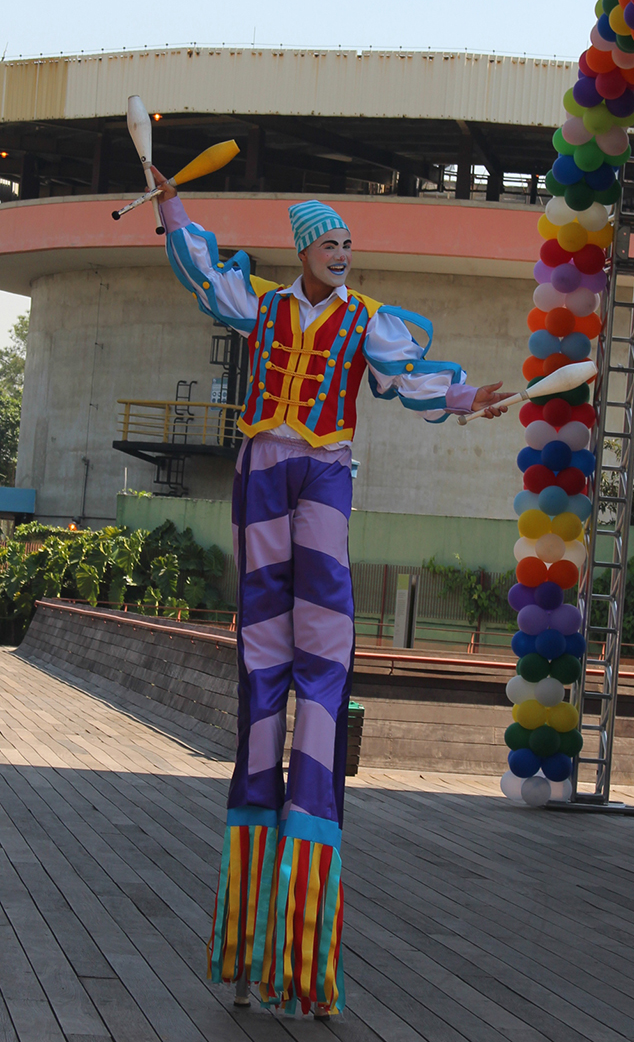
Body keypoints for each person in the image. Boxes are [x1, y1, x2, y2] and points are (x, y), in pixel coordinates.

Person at [152, 173, 507, 1017]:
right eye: (330, 243)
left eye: (347, 243)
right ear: (305, 251)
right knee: (262, 663)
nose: (343, 254)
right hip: (263, 467)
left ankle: (300, 953)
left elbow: (408, 378)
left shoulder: (365, 320)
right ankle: (249, 948)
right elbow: (204, 271)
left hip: (324, 468)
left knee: (322, 657)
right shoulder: (267, 306)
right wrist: (169, 204)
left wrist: (464, 399)